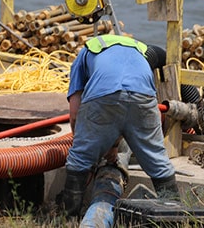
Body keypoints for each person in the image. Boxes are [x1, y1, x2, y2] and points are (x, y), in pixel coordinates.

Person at [58, 34, 180, 217]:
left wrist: (83, 143)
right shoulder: (138, 51)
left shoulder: (85, 53)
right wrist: (112, 146)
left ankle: (67, 218)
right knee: (158, 161)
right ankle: (175, 215)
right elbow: (125, 115)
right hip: (144, 97)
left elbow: (75, 112)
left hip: (104, 94)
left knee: (79, 158)